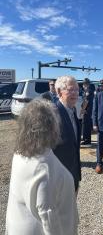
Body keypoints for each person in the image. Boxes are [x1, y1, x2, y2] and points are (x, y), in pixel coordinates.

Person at [6, 99, 78, 235]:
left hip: (17, 223)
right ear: (51, 127)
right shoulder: (44, 168)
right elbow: (48, 216)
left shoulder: (20, 153)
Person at [54, 76, 81, 192]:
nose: (75, 93)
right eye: (71, 89)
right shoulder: (52, 114)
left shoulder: (73, 110)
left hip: (73, 173)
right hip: (58, 178)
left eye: (77, 90)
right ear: (59, 92)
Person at [80, 78, 94, 147]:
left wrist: (83, 110)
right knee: (84, 124)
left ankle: (87, 140)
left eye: (84, 83)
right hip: (86, 110)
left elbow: (86, 101)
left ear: (87, 84)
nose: (83, 85)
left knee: (86, 125)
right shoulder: (85, 91)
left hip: (87, 111)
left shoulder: (89, 91)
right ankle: (85, 139)